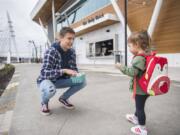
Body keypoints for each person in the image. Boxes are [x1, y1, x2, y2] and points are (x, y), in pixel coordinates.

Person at [37, 27, 86, 116]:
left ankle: (63, 98)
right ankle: (44, 102)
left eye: (73, 39)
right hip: (46, 81)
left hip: (60, 81)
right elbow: (44, 73)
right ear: (60, 38)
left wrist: (77, 74)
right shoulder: (51, 51)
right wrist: (64, 71)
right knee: (51, 90)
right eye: (69, 38)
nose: (71, 41)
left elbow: (74, 68)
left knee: (82, 81)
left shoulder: (72, 52)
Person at [115, 30, 151, 135]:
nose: (129, 48)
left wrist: (121, 67)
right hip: (145, 88)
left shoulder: (139, 58)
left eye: (130, 46)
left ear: (137, 45)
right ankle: (135, 118)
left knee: (140, 108)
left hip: (141, 90)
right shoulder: (145, 55)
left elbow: (133, 72)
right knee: (138, 105)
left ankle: (142, 129)